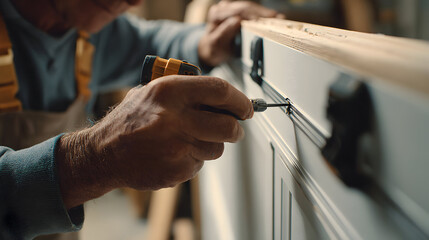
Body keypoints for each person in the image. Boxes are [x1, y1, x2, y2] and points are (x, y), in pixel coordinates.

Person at [0, 0, 283, 239]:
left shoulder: (84, 27)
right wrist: (90, 158)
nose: (135, 3)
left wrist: (205, 43)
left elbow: (150, 40)